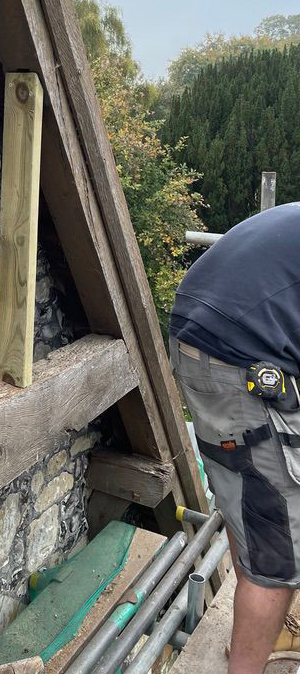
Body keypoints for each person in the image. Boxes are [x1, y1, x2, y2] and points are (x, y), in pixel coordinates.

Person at [169, 202, 300, 674]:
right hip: (243, 358)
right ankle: (249, 660)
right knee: (279, 554)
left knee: (251, 509)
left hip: (199, 338)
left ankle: (269, 631)